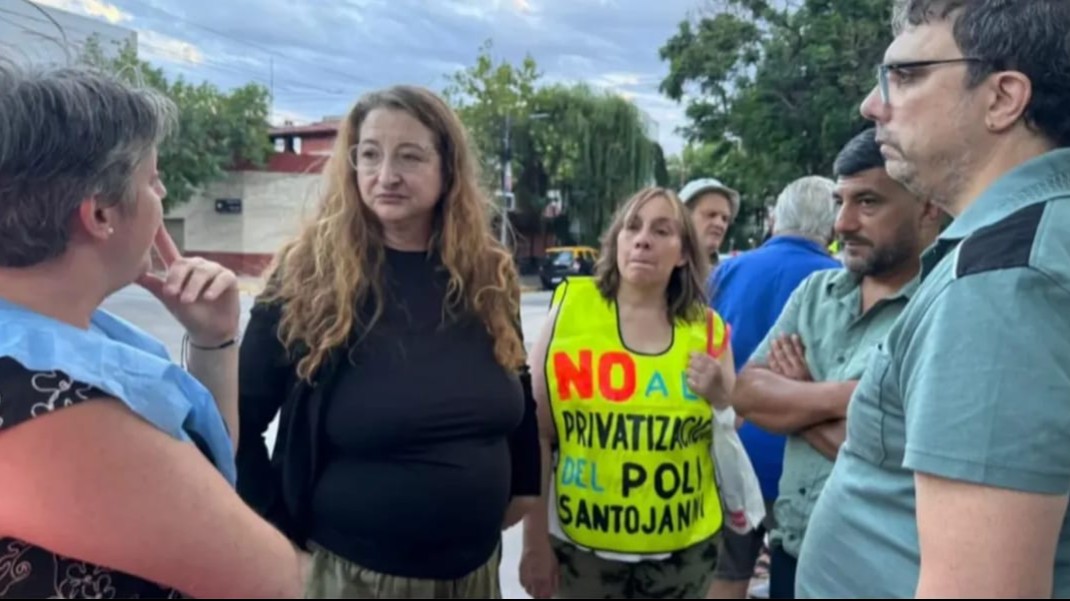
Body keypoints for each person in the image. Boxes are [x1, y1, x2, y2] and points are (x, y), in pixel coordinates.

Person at [0, 64, 307, 598]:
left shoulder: (61, 333)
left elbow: (197, 463)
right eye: (153, 179)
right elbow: (270, 580)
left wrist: (213, 337)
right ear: (99, 214)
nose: (162, 193)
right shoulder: (44, 399)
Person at [797, 0, 1070, 597]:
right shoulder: (1030, 243)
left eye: (906, 75)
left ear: (1002, 98)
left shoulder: (1004, 281)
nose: (873, 105)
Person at [235, 84, 541, 599]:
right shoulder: (307, 277)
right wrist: (276, 537)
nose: (386, 176)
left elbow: (519, 380)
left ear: (448, 170)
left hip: (475, 574)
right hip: (353, 578)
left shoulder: (487, 274)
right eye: (370, 155)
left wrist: (525, 487)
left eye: (410, 156)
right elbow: (237, 419)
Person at [730, 128, 943, 598]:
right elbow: (746, 392)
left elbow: (900, 461)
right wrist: (854, 397)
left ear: (927, 205)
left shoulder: (942, 308)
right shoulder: (815, 295)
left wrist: (796, 397)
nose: (841, 223)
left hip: (881, 572)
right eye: (838, 201)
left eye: (867, 203)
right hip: (792, 551)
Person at [519, 186, 736, 599]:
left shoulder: (709, 330)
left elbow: (728, 425)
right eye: (632, 227)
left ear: (684, 253)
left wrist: (720, 394)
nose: (642, 239)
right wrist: (534, 543)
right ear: (616, 239)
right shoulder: (569, 312)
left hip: (683, 554)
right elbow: (538, 435)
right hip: (582, 554)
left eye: (661, 230)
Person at [704, 176, 839, 599]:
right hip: (803, 461)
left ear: (776, 217)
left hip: (734, 455)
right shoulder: (839, 281)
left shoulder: (728, 270)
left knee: (727, 575)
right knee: (798, 579)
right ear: (832, 227)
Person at [679, 178, 740, 267]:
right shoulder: (660, 271)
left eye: (725, 219)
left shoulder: (729, 275)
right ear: (684, 217)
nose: (719, 224)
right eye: (711, 215)